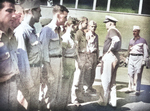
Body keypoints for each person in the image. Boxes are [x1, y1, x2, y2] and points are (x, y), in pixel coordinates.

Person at [40, 4, 69, 110]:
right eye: (64, 17)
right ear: (58, 15)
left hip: (58, 62)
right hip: (51, 64)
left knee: (56, 91)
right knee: (48, 92)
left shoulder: (59, 30)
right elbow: (44, 52)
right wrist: (49, 71)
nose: (66, 20)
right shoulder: (47, 30)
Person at [14, 0, 42, 110]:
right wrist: (28, 84)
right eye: (39, 11)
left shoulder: (32, 30)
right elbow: (22, 63)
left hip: (34, 74)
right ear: (30, 11)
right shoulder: (21, 32)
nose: (41, 14)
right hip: (27, 78)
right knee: (25, 105)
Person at [98, 15, 122, 107]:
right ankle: (113, 101)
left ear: (111, 23)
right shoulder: (117, 31)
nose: (105, 25)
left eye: (106, 23)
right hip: (115, 56)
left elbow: (116, 40)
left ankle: (103, 101)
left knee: (105, 79)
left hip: (110, 56)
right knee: (112, 81)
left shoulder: (112, 30)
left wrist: (109, 50)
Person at [0, 0, 20, 110]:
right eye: (9, 11)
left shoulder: (12, 37)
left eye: (14, 11)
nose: (14, 15)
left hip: (12, 91)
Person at [125, 26, 148, 96]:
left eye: (135, 31)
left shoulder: (143, 41)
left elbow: (146, 51)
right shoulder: (131, 40)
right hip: (131, 57)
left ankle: (137, 89)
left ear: (138, 32)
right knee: (130, 73)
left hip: (139, 57)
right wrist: (127, 57)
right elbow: (129, 50)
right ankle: (130, 87)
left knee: (138, 74)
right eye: (133, 31)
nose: (134, 33)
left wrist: (144, 60)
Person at [71, 16, 88, 105]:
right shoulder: (78, 33)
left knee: (81, 79)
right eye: (86, 23)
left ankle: (79, 96)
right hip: (79, 57)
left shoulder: (83, 33)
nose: (87, 25)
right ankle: (74, 98)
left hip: (83, 56)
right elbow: (76, 48)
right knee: (76, 79)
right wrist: (78, 61)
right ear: (81, 23)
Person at [84, 20, 99, 94]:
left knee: (93, 72)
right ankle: (86, 87)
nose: (94, 28)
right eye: (92, 26)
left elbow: (97, 47)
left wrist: (98, 58)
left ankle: (90, 86)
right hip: (88, 55)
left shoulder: (96, 36)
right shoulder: (87, 35)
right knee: (88, 72)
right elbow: (85, 45)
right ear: (89, 27)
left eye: (95, 27)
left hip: (94, 55)